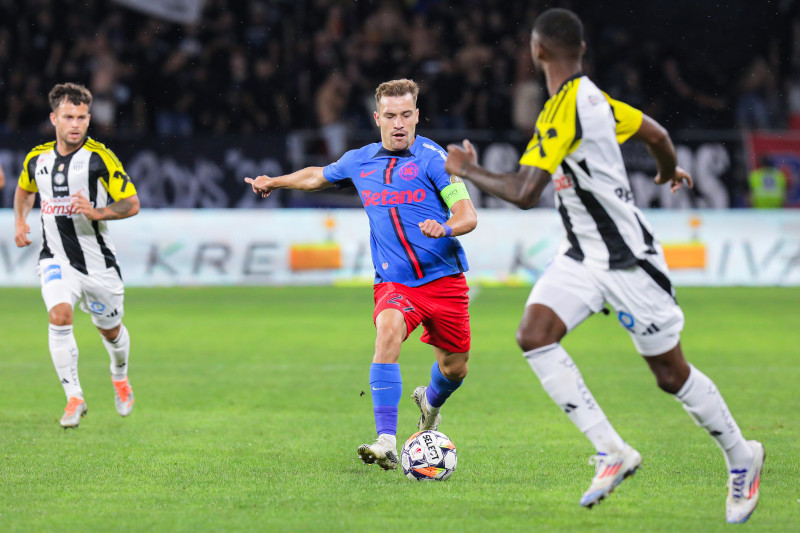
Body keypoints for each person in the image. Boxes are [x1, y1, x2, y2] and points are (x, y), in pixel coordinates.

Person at [445, 9, 763, 524]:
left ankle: (742, 457)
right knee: (535, 333)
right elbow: (657, 133)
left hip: (628, 261)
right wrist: (666, 171)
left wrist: (467, 170)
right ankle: (612, 450)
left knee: (670, 374)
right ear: (579, 51)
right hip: (584, 256)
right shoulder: (597, 99)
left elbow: (526, 193)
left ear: (538, 51)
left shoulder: (561, 111)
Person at [246, 79, 477, 470]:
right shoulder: (361, 160)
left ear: (417, 115)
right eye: (390, 116)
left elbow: (467, 215)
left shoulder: (435, 161)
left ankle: (430, 405)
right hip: (396, 282)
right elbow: (317, 176)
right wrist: (275, 181)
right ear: (377, 118)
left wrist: (447, 228)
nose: (399, 123)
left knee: (455, 367)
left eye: (406, 115)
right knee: (387, 330)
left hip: (444, 281)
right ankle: (387, 439)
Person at [14, 82, 140, 429]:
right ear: (54, 118)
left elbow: (132, 203)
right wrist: (20, 221)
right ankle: (74, 397)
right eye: (69, 117)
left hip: (97, 263)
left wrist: (98, 213)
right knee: (59, 316)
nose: (76, 124)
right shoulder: (36, 158)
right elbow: (25, 188)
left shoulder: (100, 158)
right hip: (54, 258)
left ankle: (120, 376)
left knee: (111, 332)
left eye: (82, 117)